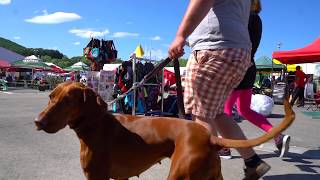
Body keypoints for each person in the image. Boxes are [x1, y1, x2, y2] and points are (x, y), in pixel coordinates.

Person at [168, 0, 270, 179]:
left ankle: (207, 174)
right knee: (217, 113)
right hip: (239, 52)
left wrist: (180, 35)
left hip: (213, 49)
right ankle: (253, 161)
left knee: (202, 115)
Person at [220, 0, 290, 160]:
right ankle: (277, 136)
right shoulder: (257, 20)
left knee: (225, 110)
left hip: (238, 65)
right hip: (250, 66)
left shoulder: (246, 19)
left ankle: (225, 148)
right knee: (244, 110)